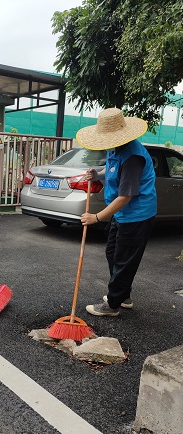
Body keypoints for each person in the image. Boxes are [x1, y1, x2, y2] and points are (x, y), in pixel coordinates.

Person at [76, 107, 157, 316]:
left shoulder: (133, 156)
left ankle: (113, 304)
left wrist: (96, 217)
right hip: (122, 214)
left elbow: (125, 196)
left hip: (137, 215)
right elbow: (112, 170)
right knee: (112, 252)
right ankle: (124, 295)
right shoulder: (117, 148)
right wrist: (97, 174)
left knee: (123, 259)